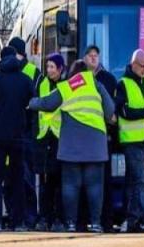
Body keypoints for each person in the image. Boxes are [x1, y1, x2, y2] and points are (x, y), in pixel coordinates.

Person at [29, 60, 115, 232]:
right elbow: (110, 110)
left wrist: (32, 102)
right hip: (95, 145)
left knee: (71, 185)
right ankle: (96, 223)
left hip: (71, 145)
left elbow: (47, 104)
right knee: (95, 186)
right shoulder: (97, 86)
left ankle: (70, 223)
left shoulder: (67, 86)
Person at [0, 45, 35, 231]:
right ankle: (18, 221)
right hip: (18, 136)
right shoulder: (25, 79)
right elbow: (32, 105)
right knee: (18, 178)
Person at [115, 49, 144, 232]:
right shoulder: (123, 84)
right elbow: (124, 112)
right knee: (140, 181)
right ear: (133, 64)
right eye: (142, 66)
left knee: (141, 182)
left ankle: (132, 220)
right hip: (132, 141)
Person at [84, 45, 118, 232]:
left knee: (105, 181)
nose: (93, 58)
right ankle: (83, 221)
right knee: (84, 181)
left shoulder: (109, 79)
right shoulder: (78, 79)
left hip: (104, 137)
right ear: (84, 58)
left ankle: (106, 221)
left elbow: (113, 108)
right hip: (84, 137)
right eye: (90, 56)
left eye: (96, 56)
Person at [8, 36, 40, 229]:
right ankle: (16, 216)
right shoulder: (15, 70)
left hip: (26, 133)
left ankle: (29, 217)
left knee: (26, 178)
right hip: (13, 133)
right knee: (12, 178)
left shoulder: (32, 72)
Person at [33, 53, 67, 231]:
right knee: (45, 182)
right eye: (48, 67)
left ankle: (58, 218)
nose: (49, 70)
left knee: (59, 181)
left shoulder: (66, 85)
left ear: (60, 69)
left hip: (60, 137)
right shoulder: (42, 83)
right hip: (44, 137)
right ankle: (44, 217)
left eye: (52, 67)